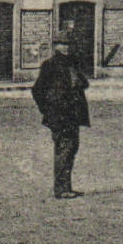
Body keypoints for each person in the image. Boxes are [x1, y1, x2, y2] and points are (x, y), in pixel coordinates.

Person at [32, 31, 91, 199]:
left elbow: (82, 83)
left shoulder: (72, 64)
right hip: (60, 115)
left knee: (71, 148)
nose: (66, 48)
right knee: (64, 149)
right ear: (56, 46)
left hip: (72, 115)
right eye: (63, 44)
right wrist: (47, 109)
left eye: (68, 45)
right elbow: (37, 90)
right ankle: (61, 189)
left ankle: (66, 186)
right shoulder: (50, 65)